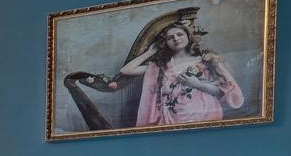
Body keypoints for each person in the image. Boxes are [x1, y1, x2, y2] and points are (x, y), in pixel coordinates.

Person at [103, 13, 244, 128]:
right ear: (165, 42)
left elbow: (223, 92)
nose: (176, 39)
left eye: (179, 34)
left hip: (202, 114)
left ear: (188, 36)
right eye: (170, 37)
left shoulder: (206, 60)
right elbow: (126, 70)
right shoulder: (161, 66)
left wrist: (198, 85)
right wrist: (151, 51)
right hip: (171, 118)